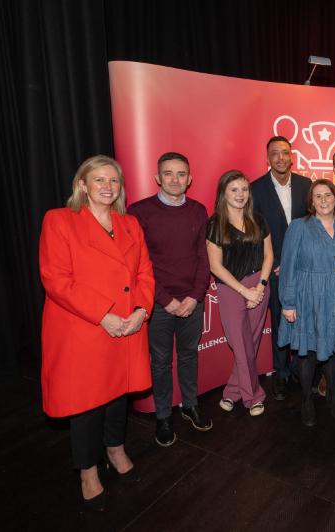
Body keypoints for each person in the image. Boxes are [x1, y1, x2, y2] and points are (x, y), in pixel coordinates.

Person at [39, 155, 155, 510]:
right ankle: (88, 471)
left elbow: (145, 273)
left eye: (114, 181)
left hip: (127, 325)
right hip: (85, 328)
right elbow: (56, 279)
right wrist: (103, 315)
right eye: (100, 180)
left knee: (119, 393)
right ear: (83, 185)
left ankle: (115, 448)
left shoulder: (130, 224)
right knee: (87, 402)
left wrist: (141, 310)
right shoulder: (60, 220)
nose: (108, 187)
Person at [128, 152, 212, 448]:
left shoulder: (199, 210)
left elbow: (204, 257)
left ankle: (190, 405)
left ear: (189, 179)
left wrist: (194, 296)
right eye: (168, 173)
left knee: (189, 355)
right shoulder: (138, 212)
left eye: (180, 174)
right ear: (157, 178)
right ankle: (163, 416)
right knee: (161, 362)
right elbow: (139, 264)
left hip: (192, 300)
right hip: (158, 304)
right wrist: (165, 300)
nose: (175, 179)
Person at [278, 179, 335, 426]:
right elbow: (288, 267)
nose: (323, 200)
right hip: (307, 296)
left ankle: (332, 399)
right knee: (307, 351)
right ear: (311, 201)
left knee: (334, 351)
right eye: (317, 196)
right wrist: (288, 303)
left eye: (328, 195)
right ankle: (306, 401)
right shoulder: (299, 227)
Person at [206, 170, 273, 417]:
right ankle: (253, 396)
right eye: (234, 189)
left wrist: (261, 286)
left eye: (244, 189)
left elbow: (269, 255)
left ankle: (232, 391)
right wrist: (244, 290)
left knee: (251, 342)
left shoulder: (258, 219)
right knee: (240, 343)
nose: (240, 194)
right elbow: (215, 266)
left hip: (259, 286)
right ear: (223, 193)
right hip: (231, 289)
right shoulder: (215, 223)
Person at [252, 136, 311, 401]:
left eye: (285, 153)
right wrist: (274, 264)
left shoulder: (305, 185)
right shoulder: (256, 189)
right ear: (267, 158)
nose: (280, 158)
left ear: (291, 156)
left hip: (305, 268)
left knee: (304, 318)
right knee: (279, 321)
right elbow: (254, 233)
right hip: (274, 270)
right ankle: (281, 372)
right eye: (275, 154)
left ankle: (302, 368)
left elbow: (313, 226)